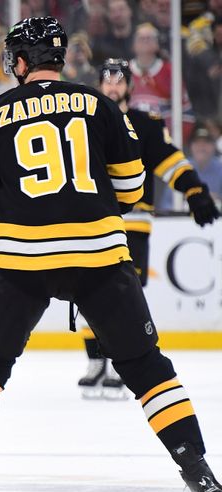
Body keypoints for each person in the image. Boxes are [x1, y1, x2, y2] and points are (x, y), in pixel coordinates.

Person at [0, 17, 222, 492]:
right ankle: (198, 469)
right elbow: (132, 192)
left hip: (21, 261)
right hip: (99, 256)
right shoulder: (101, 106)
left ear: (21, 61)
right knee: (147, 368)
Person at [77, 59, 220, 399]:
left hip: (133, 222)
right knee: (84, 292)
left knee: (123, 294)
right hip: (91, 220)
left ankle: (116, 363)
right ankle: (96, 361)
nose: (113, 86)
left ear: (129, 85)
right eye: (107, 80)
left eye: (119, 80)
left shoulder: (144, 124)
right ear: (99, 84)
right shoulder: (82, 124)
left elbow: (169, 160)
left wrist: (194, 189)